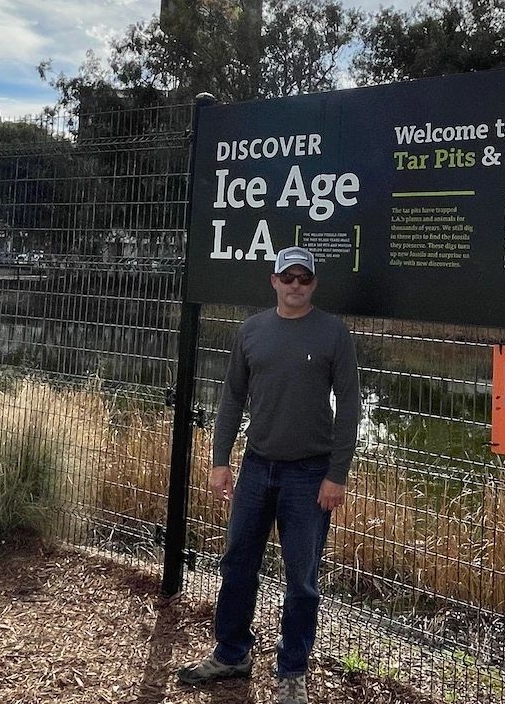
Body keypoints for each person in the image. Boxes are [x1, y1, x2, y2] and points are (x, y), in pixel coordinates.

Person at [177, 246, 360, 704]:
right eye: (287, 277)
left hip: (310, 473)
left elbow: (350, 411)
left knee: (302, 579)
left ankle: (292, 670)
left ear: (313, 284)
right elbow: (232, 399)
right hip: (257, 467)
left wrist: (336, 475)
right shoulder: (251, 331)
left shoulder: (333, 334)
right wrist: (222, 460)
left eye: (304, 278)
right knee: (237, 563)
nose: (295, 285)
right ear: (273, 280)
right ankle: (232, 652)